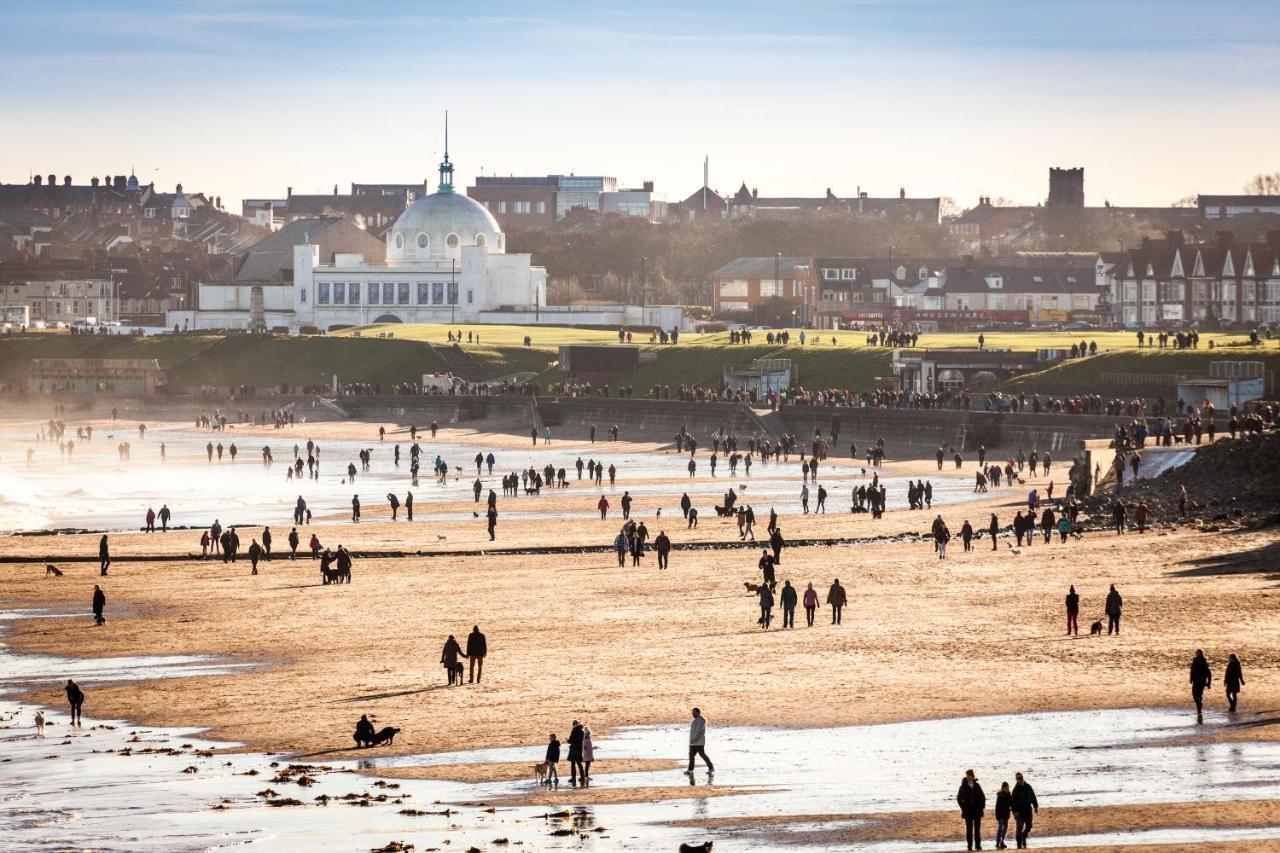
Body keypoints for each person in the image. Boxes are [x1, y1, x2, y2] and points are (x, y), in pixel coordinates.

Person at [957, 768, 986, 851]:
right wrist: (963, 808)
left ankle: (978, 845)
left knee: (977, 829)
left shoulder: (977, 785)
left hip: (977, 810)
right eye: (967, 776)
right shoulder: (963, 786)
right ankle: (969, 845)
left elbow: (982, 797)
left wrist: (982, 807)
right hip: (968, 811)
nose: (968, 777)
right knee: (969, 829)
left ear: (973, 776)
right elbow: (959, 798)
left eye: (969, 776)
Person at [1011, 771, 1038, 848]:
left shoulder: (1028, 786)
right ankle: (1019, 844)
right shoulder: (1015, 790)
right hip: (1020, 813)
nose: (1020, 779)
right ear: (1016, 779)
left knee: (1029, 826)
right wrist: (1015, 812)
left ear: (1023, 777)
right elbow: (1013, 803)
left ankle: (1024, 836)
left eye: (1021, 778)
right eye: (1018, 778)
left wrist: (1035, 806)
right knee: (1019, 828)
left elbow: (1033, 796)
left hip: (1028, 811)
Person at [686, 707, 713, 774]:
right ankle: (690, 770)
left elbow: (698, 731)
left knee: (701, 755)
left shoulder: (700, 721)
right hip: (695, 742)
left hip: (698, 742)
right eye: (692, 713)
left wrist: (693, 739)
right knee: (692, 755)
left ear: (698, 713)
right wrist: (692, 740)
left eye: (694, 713)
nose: (693, 714)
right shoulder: (697, 720)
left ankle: (711, 767)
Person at [1191, 649, 1212, 721]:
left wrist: (1191, 679)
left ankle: (1199, 704)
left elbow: (1192, 670)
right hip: (1203, 681)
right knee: (1199, 694)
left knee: (1194, 694)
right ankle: (1199, 707)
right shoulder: (1205, 661)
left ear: (1199, 653)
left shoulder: (1195, 660)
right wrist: (1209, 682)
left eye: (1196, 652)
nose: (1195, 653)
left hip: (1197, 680)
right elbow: (1209, 673)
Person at [994, 781, 1013, 850]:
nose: (1007, 789)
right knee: (1000, 827)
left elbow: (1012, 804)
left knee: (1005, 828)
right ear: (1002, 788)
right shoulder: (1000, 796)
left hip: (1006, 815)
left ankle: (1002, 841)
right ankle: (998, 841)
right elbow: (997, 807)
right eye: (1005, 788)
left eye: (1008, 788)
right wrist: (997, 815)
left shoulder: (1009, 796)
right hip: (1000, 815)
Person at [567, 719, 586, 785]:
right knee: (579, 763)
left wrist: (568, 741)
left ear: (574, 725)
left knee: (573, 764)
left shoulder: (574, 731)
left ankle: (573, 778)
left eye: (573, 724)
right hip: (579, 749)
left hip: (573, 749)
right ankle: (582, 777)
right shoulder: (582, 731)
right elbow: (582, 740)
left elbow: (570, 741)